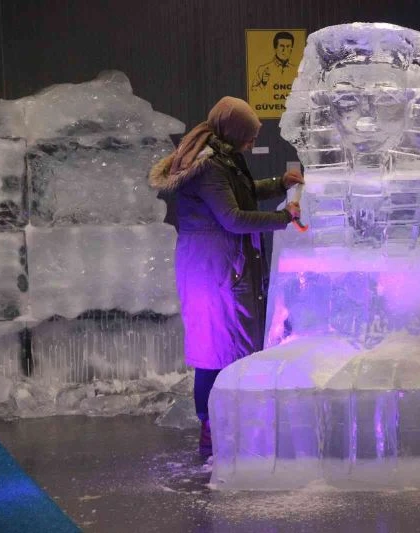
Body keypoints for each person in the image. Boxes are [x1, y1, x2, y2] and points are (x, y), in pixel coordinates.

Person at [149, 97, 304, 458]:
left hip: (220, 264)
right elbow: (233, 217)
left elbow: (241, 196)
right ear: (234, 132)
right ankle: (210, 428)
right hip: (213, 268)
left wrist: (279, 184)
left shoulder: (222, 159)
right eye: (249, 137)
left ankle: (226, 424)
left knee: (226, 349)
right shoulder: (209, 167)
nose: (251, 143)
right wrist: (285, 220)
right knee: (214, 352)